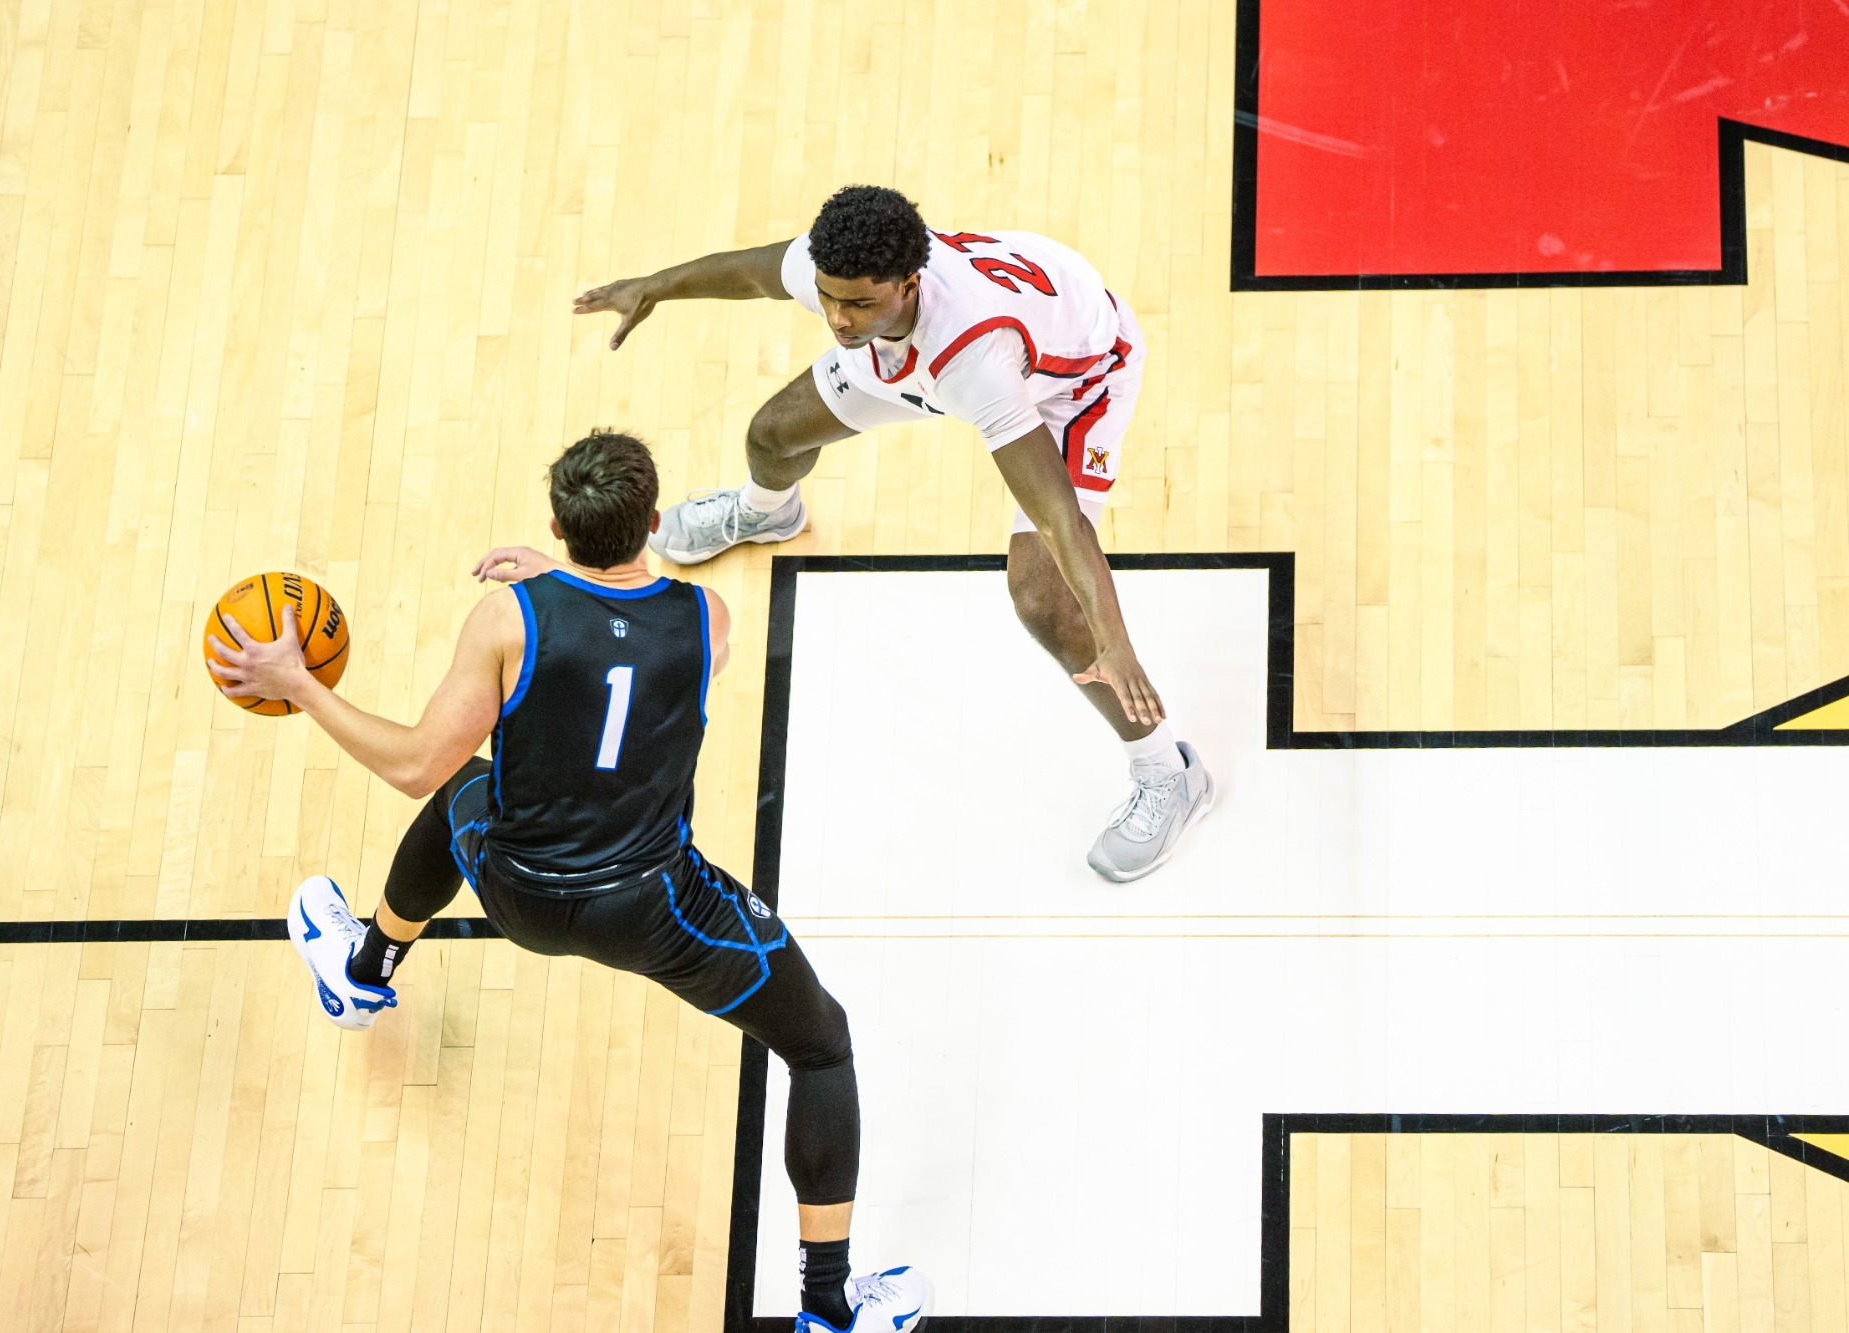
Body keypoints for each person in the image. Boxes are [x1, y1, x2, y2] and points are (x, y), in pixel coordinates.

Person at [208, 430, 927, 1333]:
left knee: (462, 789)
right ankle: (827, 1307)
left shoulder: (508, 620)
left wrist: (298, 682)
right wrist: (575, 581)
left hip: (520, 892)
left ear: (557, 524)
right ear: (654, 522)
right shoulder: (707, 619)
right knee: (820, 1044)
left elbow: (416, 764)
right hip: (657, 909)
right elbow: (629, 638)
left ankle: (364, 970)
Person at [573, 185, 1214, 882]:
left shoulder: (975, 362)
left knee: (1043, 598)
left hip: (1078, 375)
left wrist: (1115, 643)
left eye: (856, 304)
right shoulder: (845, 275)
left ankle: (1168, 772)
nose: (837, 320)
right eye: (828, 298)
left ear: (909, 283)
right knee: (772, 435)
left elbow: (1062, 521)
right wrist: (653, 287)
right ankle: (767, 512)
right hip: (946, 335)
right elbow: (753, 274)